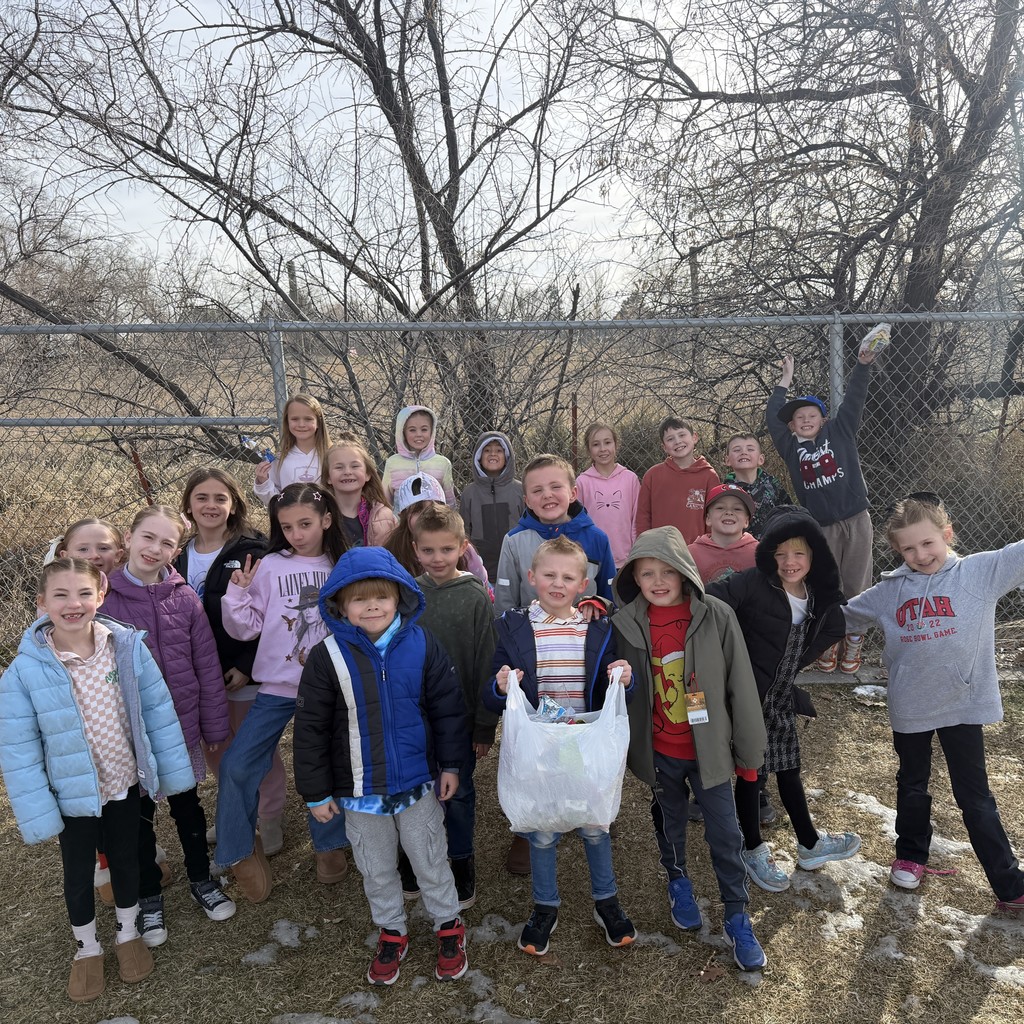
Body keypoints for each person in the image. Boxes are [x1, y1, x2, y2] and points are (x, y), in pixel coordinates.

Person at [0, 557, 195, 1002]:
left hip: (124, 782)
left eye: (85, 593)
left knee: (128, 858)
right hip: (71, 798)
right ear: (41, 603)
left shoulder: (125, 648)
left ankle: (128, 934)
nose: (74, 604)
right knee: (78, 873)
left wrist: (174, 771)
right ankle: (87, 948)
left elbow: (158, 713)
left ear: (101, 596)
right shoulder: (24, 673)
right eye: (61, 595)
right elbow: (19, 751)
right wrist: (39, 812)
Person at [293, 546, 471, 986]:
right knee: (375, 867)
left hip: (416, 785)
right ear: (339, 606)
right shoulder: (327, 656)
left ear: (399, 598)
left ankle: (448, 924)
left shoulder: (423, 644)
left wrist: (450, 766)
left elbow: (448, 710)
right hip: (359, 791)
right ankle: (392, 929)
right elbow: (311, 728)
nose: (372, 605)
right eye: (359, 599)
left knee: (430, 858)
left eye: (381, 597)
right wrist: (316, 793)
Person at [842, 494, 1024, 906]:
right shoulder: (889, 591)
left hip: (962, 703)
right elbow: (844, 615)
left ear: (947, 534)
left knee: (975, 796)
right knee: (912, 784)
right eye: (908, 548)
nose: (920, 555)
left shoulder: (980, 573)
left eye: (928, 543)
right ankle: (909, 857)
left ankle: (1010, 884)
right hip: (911, 705)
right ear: (897, 550)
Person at [611, 526, 768, 972]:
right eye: (646, 574)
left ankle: (737, 913)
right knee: (670, 817)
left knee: (726, 832)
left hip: (711, 751)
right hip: (660, 750)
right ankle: (677, 878)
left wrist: (749, 752)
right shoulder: (625, 624)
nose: (658, 581)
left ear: (685, 573)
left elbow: (739, 683)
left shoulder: (716, 616)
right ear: (634, 579)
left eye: (667, 571)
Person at [482, 537, 636, 956]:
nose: (557, 583)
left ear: (583, 584)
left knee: (594, 823)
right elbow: (492, 692)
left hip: (583, 741)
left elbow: (618, 683)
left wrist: (625, 678)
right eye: (548, 575)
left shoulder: (598, 627)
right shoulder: (514, 626)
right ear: (531, 578)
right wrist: (499, 688)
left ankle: (606, 901)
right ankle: (545, 907)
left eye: (568, 577)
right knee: (543, 826)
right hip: (539, 743)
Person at [708, 507, 861, 893]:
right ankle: (753, 848)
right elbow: (711, 602)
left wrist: (791, 673)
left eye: (799, 554)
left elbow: (828, 632)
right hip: (746, 697)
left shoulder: (818, 598)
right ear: (768, 556)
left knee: (790, 767)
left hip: (778, 697)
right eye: (780, 554)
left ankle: (808, 843)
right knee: (751, 772)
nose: (789, 562)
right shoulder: (752, 584)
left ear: (814, 558)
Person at [101, 506, 235, 945]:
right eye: (147, 538)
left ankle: (202, 878)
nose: (154, 549)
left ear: (176, 550)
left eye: (166, 543)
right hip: (127, 732)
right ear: (129, 537)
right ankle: (149, 896)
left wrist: (214, 725)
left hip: (178, 726)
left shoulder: (184, 597)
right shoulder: (104, 597)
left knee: (187, 805)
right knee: (138, 816)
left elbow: (206, 663)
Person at [216, 483, 350, 901]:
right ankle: (239, 848)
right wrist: (237, 592)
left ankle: (329, 844)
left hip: (328, 686)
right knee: (238, 764)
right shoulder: (270, 565)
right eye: (287, 526)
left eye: (305, 524)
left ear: (326, 520)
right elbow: (247, 627)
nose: (296, 533)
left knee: (326, 762)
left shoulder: (342, 564)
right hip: (277, 686)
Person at [174, 468, 286, 855]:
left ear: (234, 504)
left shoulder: (253, 549)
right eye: (201, 497)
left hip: (241, 674)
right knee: (217, 749)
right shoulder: (176, 555)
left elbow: (272, 613)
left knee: (256, 749)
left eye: (220, 498)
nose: (210, 505)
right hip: (199, 675)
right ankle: (235, 816)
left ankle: (270, 816)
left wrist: (248, 663)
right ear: (188, 503)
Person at [766, 345, 879, 672]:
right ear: (792, 426)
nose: (804, 420)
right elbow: (774, 418)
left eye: (811, 415)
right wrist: (784, 381)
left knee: (857, 582)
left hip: (856, 519)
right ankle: (828, 642)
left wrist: (862, 366)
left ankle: (853, 641)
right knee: (828, 585)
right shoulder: (790, 448)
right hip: (823, 525)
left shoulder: (839, 431)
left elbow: (855, 399)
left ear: (823, 418)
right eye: (798, 418)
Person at [407, 503, 498, 909]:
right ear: (415, 550)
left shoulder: (475, 596)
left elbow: (485, 662)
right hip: (415, 719)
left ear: (462, 547)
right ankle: (414, 859)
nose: (437, 559)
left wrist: (483, 726)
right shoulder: (409, 595)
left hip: (460, 721)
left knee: (457, 793)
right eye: (428, 551)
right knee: (416, 791)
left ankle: (461, 861)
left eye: (446, 549)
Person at [494, 454, 616, 616]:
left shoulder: (596, 539)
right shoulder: (514, 541)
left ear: (573, 493)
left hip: (585, 636)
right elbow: (505, 602)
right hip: (530, 637)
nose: (547, 495)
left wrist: (599, 607)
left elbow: (610, 599)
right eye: (537, 490)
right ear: (527, 501)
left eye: (556, 487)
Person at [386, 474, 492, 593]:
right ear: (403, 516)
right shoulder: (393, 552)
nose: (425, 516)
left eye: (431, 508)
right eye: (417, 510)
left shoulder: (464, 551)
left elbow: (481, 588)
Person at [635, 416, 720, 543]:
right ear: (664, 447)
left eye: (682, 435)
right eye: (670, 439)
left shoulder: (709, 476)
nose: (677, 441)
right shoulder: (653, 475)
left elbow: (713, 517)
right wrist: (644, 546)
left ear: (694, 437)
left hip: (695, 551)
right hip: (659, 550)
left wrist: (708, 547)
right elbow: (643, 516)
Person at [458, 430, 524, 580]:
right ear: (478, 458)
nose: (493, 454)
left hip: (515, 562)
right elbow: (464, 531)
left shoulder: (519, 490)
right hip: (481, 565)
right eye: (487, 450)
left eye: (499, 450)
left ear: (507, 457)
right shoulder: (469, 493)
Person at [575, 421, 641, 569]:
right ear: (588, 449)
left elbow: (637, 519)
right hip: (593, 559)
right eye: (596, 444)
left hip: (626, 559)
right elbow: (578, 523)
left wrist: (636, 553)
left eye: (607, 442)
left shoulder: (630, 479)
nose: (603, 449)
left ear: (616, 445)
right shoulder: (582, 482)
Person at [253, 394, 332, 506]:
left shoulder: (331, 456)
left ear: (318, 422)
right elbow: (274, 501)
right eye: (295, 419)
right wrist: (263, 481)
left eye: (308, 419)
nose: (301, 424)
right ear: (287, 421)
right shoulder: (280, 459)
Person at [321, 439, 397, 548]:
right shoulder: (319, 515)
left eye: (355, 466)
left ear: (367, 474)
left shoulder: (384, 516)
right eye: (339, 467)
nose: (347, 472)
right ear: (328, 477)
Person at [381, 405, 456, 506]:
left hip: (434, 520)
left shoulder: (443, 464)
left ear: (432, 431)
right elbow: (384, 501)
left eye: (424, 429)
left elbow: (450, 501)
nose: (418, 434)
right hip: (401, 521)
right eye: (412, 430)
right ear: (403, 432)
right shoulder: (393, 463)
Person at [721, 434, 793, 539]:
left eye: (750, 449)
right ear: (727, 460)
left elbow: (789, 513)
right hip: (741, 548)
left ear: (761, 459)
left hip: (775, 544)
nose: (743, 452)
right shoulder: (725, 491)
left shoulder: (772, 484)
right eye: (737, 450)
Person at [689, 483, 759, 585]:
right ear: (708, 518)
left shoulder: (760, 554)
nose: (729, 512)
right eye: (720, 508)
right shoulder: (690, 554)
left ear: (746, 521)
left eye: (737, 509)